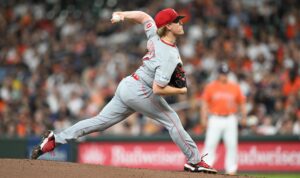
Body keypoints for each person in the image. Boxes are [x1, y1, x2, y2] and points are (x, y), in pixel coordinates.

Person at [31, 8, 217, 173]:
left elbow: (144, 17)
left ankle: (56, 138)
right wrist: (181, 91)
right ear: (168, 26)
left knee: (99, 122)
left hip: (128, 84)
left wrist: (122, 15)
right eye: (177, 20)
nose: (181, 22)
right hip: (142, 90)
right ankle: (195, 161)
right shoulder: (168, 54)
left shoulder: (155, 36)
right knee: (172, 120)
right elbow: (157, 89)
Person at [200, 63, 247, 175]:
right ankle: (205, 167)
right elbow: (205, 104)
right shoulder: (211, 86)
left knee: (231, 145)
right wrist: (203, 118)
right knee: (210, 144)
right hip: (215, 118)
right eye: (222, 73)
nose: (224, 76)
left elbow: (242, 103)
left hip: (230, 118)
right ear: (218, 74)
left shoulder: (234, 87)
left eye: (226, 73)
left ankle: (231, 170)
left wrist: (244, 117)